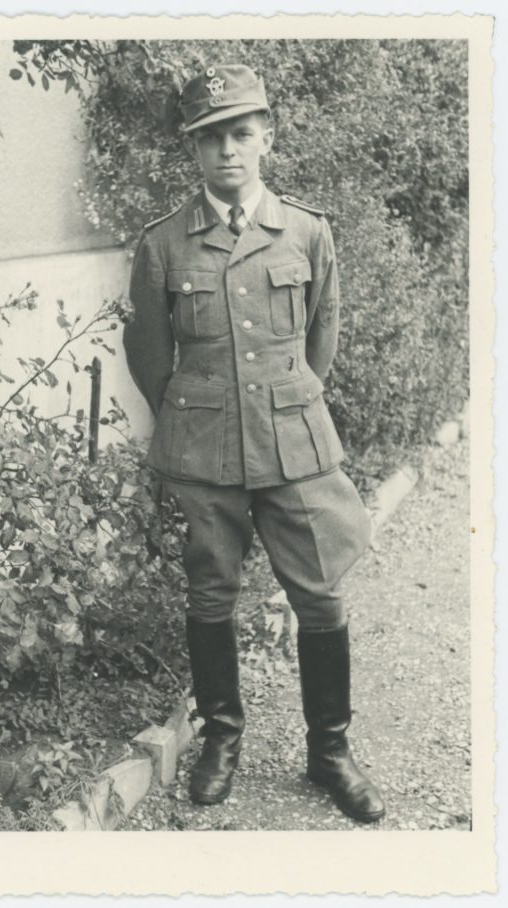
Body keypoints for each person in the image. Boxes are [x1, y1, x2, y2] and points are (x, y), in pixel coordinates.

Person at [123, 63, 385, 823]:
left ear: (266, 135)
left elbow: (320, 337)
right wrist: (198, 416)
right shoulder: (165, 244)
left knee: (321, 593)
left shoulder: (307, 230)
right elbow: (151, 362)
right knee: (210, 594)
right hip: (204, 449)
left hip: (294, 444)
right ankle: (220, 741)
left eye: (241, 133)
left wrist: (284, 402)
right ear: (194, 151)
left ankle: (330, 750)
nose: (227, 151)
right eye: (210, 139)